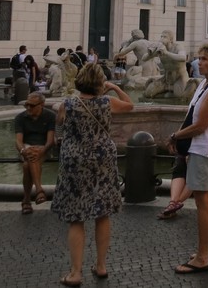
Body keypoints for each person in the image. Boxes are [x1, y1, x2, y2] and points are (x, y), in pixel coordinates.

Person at [50, 64, 133, 286]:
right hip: (102, 160)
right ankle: (101, 265)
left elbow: (58, 122)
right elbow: (130, 105)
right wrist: (114, 87)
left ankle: (76, 273)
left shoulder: (68, 104)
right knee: (102, 213)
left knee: (76, 217)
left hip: (74, 161)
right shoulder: (107, 102)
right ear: (99, 83)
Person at [169, 43, 208, 273]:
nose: (199, 62)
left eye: (204, 59)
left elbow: (201, 125)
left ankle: (202, 257)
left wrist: (175, 135)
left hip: (204, 148)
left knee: (203, 202)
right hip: (199, 148)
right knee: (207, 200)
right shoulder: (206, 84)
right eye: (199, 58)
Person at [14, 92, 56, 214]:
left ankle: (27, 200)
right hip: (26, 148)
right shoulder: (20, 117)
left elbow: (49, 141)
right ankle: (38, 190)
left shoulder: (50, 116)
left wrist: (41, 150)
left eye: (32, 105)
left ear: (42, 105)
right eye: (27, 105)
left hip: (44, 148)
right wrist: (23, 150)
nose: (28, 108)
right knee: (30, 159)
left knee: (27, 165)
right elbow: (18, 141)